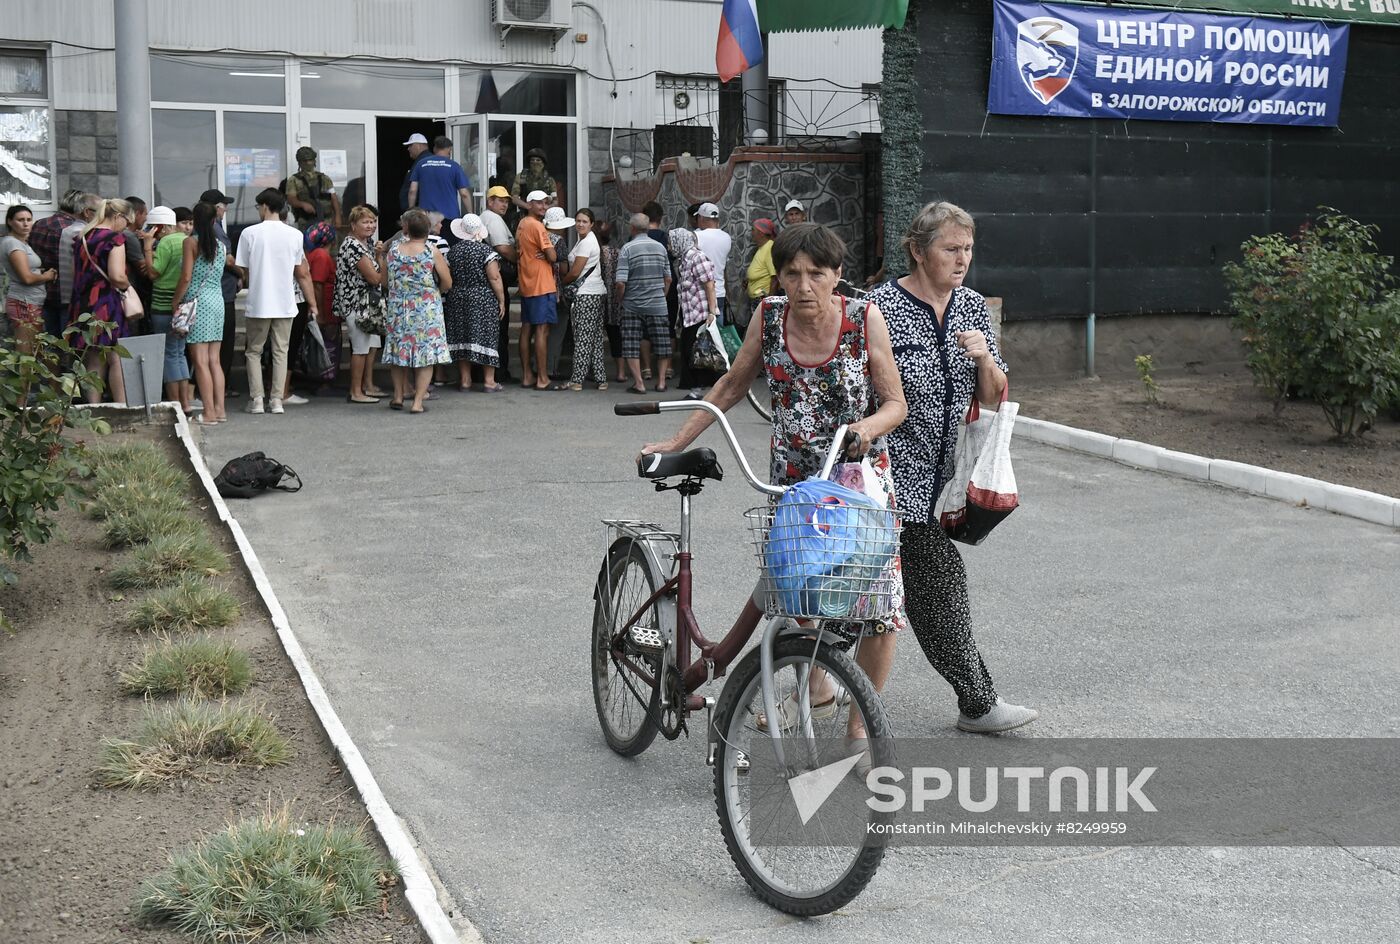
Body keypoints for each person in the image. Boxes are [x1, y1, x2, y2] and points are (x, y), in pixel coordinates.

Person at [640, 222, 908, 746]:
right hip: (793, 485)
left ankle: (860, 729)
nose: (804, 285)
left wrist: (865, 428)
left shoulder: (863, 319)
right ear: (778, 278)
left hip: (857, 482)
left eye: (816, 274)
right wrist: (676, 441)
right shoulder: (769, 316)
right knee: (798, 594)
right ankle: (819, 681)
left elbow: (894, 403)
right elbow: (732, 385)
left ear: (837, 276)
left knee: (881, 607)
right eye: (792, 273)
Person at [865, 200, 1037, 734]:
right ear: (918, 251)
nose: (962, 259)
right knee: (938, 588)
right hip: (890, 475)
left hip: (947, 479)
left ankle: (817, 683)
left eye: (967, 249)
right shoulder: (879, 308)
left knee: (865, 588)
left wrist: (985, 356)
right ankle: (978, 704)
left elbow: (993, 395)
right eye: (950, 249)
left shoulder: (969, 307)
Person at [235, 188, 318, 415]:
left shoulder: (249, 233)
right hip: (285, 301)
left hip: (259, 301)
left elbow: (243, 270)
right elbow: (298, 269)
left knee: (254, 351)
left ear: (263, 206)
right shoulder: (295, 235)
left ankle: (257, 400)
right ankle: (277, 400)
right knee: (281, 351)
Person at [379, 208, 451, 413]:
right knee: (426, 355)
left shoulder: (393, 250)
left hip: (399, 308)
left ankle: (398, 396)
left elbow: (384, 281)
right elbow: (447, 281)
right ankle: (418, 402)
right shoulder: (431, 251)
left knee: (399, 353)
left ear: (406, 229)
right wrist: (435, 291)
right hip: (427, 308)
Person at [70, 198, 138, 404]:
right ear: (118, 216)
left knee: (93, 357)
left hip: (84, 303)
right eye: (127, 221)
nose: (127, 227)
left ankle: (94, 408)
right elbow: (117, 276)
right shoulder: (114, 239)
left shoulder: (83, 236)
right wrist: (129, 287)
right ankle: (121, 407)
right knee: (116, 357)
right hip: (106, 302)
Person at [171, 202, 230, 425]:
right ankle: (220, 410)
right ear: (214, 221)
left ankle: (208, 414)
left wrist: (175, 302)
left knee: (200, 361)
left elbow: (186, 277)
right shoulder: (221, 246)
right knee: (215, 360)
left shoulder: (191, 242)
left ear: (195, 221)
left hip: (198, 303)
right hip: (217, 301)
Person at [444, 214, 507, 391]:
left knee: (461, 336)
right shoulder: (487, 252)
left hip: (458, 296)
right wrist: (501, 300)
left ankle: (465, 380)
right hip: (483, 297)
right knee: (487, 336)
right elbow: (494, 277)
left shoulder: (452, 252)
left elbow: (447, 276)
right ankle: (489, 381)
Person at [614, 212, 673, 394]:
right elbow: (668, 278)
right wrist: (661, 296)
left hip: (633, 305)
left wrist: (621, 298)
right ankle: (662, 382)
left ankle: (639, 383)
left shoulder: (627, 249)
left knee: (631, 343)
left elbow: (620, 282)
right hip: (658, 305)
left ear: (632, 228)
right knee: (663, 344)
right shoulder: (661, 248)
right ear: (647, 228)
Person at [142, 205, 193, 411]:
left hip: (163, 305)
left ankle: (174, 405)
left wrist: (147, 247)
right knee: (180, 353)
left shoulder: (165, 243)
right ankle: (186, 403)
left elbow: (154, 273)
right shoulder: (187, 240)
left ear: (159, 227)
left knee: (169, 354)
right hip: (184, 304)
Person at [335, 204, 386, 403]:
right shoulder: (352, 245)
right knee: (360, 349)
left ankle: (365, 387)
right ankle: (356, 392)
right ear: (353, 225)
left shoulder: (366, 243)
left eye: (373, 221)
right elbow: (375, 279)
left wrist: (378, 256)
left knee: (368, 346)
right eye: (365, 222)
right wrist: (381, 259)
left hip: (368, 304)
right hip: (357, 304)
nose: (370, 225)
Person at [199, 189, 242, 399]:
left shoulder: (204, 229)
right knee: (221, 347)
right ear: (216, 207)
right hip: (220, 295)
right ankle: (218, 390)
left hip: (216, 293)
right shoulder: (213, 230)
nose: (225, 210)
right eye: (224, 206)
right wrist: (242, 273)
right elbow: (228, 260)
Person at [667, 228, 719, 399]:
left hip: (700, 314)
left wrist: (711, 312)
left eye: (671, 242)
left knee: (699, 353)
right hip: (689, 315)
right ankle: (698, 389)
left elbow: (709, 284)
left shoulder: (697, 258)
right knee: (692, 352)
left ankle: (698, 391)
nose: (669, 246)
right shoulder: (684, 260)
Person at [560, 207, 608, 391]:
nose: (580, 224)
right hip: (596, 292)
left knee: (582, 338)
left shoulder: (587, 242)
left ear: (592, 224)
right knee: (594, 338)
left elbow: (575, 272)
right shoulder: (586, 240)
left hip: (586, 294)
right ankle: (601, 379)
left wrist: (562, 284)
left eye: (584, 222)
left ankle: (577, 380)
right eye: (578, 221)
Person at [515, 190, 558, 389]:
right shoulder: (537, 225)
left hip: (526, 281)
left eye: (545, 204)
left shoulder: (522, 224)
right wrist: (548, 251)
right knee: (542, 330)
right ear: (529, 204)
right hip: (541, 283)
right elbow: (552, 256)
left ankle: (527, 376)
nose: (543, 207)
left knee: (526, 328)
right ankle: (542, 378)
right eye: (539, 203)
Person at [3, 204, 58, 357]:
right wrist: (46, 276)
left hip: (31, 302)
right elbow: (26, 278)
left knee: (33, 352)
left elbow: (26, 269)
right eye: (20, 220)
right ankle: (22, 382)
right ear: (9, 222)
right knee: (26, 355)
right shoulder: (12, 243)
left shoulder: (21, 243)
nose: (26, 223)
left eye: (29, 219)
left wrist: (39, 272)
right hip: (23, 302)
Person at [30, 188, 82, 338]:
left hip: (42, 290)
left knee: (49, 343)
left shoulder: (39, 223)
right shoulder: (73, 230)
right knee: (68, 343)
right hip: (66, 293)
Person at [480, 184, 517, 383]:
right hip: (495, 277)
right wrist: (519, 261)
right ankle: (499, 373)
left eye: (506, 201)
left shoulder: (488, 217)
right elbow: (503, 248)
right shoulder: (492, 219)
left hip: (487, 279)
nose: (504, 205)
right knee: (499, 329)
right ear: (490, 201)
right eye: (500, 201)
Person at [59, 193, 102, 336]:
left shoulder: (69, 230)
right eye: (101, 211)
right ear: (87, 212)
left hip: (69, 294)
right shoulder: (82, 233)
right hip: (80, 297)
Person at [304, 221, 339, 392]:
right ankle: (324, 381)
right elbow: (317, 285)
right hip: (325, 308)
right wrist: (320, 314)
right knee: (327, 345)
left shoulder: (314, 254)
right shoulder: (321, 256)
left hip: (327, 307)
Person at [408, 136, 473, 220]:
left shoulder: (421, 164)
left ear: (435, 149)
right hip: (449, 216)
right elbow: (464, 194)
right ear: (449, 150)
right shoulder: (454, 166)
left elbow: (412, 191)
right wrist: (471, 213)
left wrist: (411, 212)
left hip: (426, 217)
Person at [285, 146, 341, 231]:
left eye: (310, 160)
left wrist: (337, 216)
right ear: (299, 162)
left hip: (326, 221)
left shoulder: (324, 178)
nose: (308, 163)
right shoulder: (294, 180)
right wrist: (302, 204)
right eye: (305, 161)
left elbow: (333, 198)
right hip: (306, 221)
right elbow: (291, 199)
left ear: (314, 161)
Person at [693, 202, 732, 324]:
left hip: (700, 293)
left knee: (700, 337)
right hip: (719, 291)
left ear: (701, 218)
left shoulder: (697, 236)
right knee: (717, 335)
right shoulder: (727, 237)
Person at [122, 196, 154, 320]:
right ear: (136, 214)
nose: (146, 219)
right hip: (132, 292)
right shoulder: (129, 236)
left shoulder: (127, 234)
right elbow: (143, 268)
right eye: (145, 214)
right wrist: (148, 247)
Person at [744, 217, 778, 327]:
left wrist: (769, 301)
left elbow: (775, 277)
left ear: (761, 233)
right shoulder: (762, 248)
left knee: (761, 329)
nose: (751, 233)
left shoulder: (769, 247)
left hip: (763, 299)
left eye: (753, 230)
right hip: (758, 299)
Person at [510, 147, 557, 212]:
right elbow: (514, 198)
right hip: (526, 213)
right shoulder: (521, 177)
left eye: (538, 160)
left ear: (543, 163)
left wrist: (545, 208)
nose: (535, 162)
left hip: (544, 214)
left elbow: (555, 201)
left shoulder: (549, 180)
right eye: (532, 160)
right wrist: (527, 206)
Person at [397, 132, 431, 215]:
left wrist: (411, 212)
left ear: (418, 145)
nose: (408, 149)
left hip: (419, 212)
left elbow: (413, 190)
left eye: (410, 145)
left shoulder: (422, 162)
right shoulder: (425, 160)